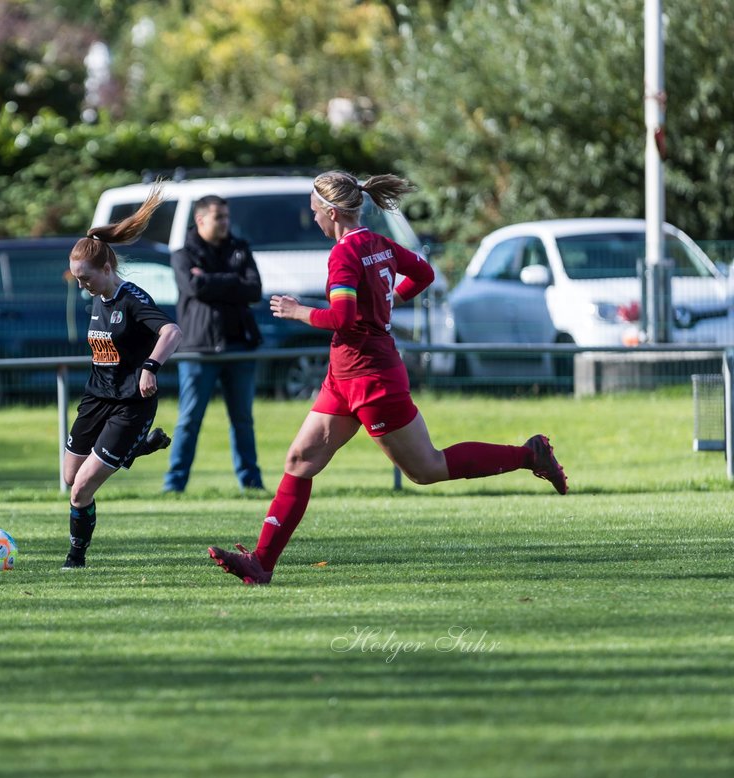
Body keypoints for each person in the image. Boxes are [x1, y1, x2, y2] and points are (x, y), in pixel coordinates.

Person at [208, 171, 568, 585]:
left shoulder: (344, 253)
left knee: (426, 468)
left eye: (315, 213)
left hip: (370, 376)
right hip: (345, 375)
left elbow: (342, 317)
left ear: (330, 211)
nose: (315, 221)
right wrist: (387, 301)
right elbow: (424, 275)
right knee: (299, 461)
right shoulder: (376, 243)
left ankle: (529, 455)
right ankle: (261, 564)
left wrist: (298, 312)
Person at [63, 184, 182, 569]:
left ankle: (76, 559)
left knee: (81, 490)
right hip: (97, 398)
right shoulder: (97, 299)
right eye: (78, 280)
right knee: (70, 477)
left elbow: (172, 332)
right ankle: (137, 448)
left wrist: (150, 368)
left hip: (131, 404)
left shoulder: (133, 300)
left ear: (107, 269)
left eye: (87, 279)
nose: (84, 286)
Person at [162, 195, 265, 493]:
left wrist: (213, 280)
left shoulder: (239, 248)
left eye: (226, 217)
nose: (225, 223)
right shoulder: (182, 254)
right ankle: (174, 485)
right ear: (201, 219)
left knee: (243, 420)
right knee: (189, 419)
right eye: (219, 217)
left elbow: (255, 289)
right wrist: (233, 282)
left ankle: (252, 483)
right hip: (199, 350)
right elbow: (194, 287)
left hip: (239, 347)